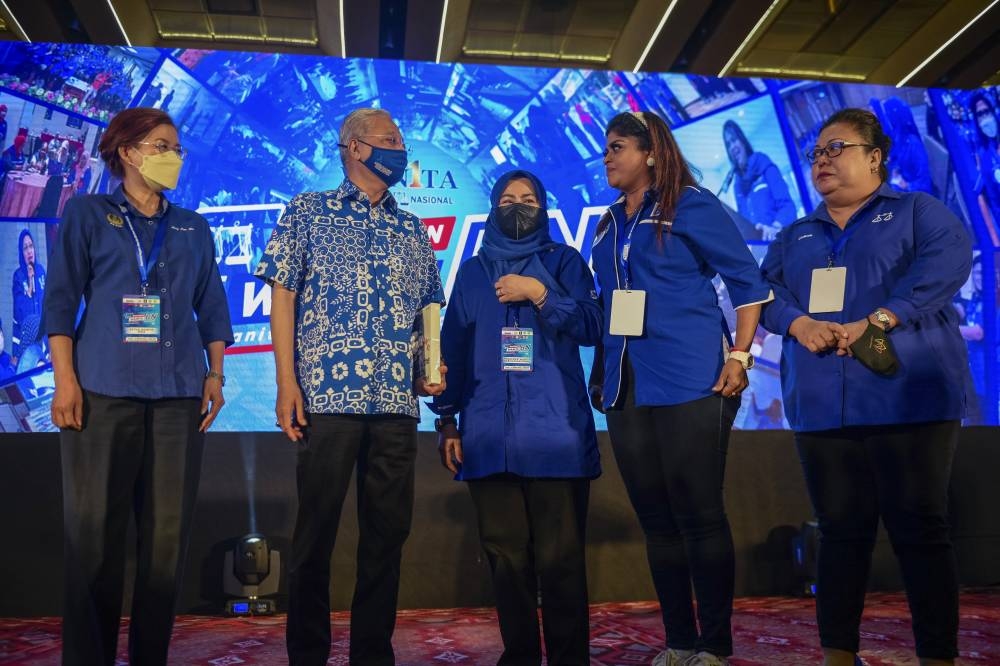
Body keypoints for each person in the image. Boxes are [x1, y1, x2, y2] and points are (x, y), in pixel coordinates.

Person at [759, 108, 972, 666]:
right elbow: (762, 295)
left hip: (907, 398)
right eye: (817, 153)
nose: (823, 161)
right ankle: (837, 655)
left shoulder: (917, 211)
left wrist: (879, 319)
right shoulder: (796, 234)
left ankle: (938, 656)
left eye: (837, 148)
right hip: (823, 404)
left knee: (920, 530)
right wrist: (797, 323)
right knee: (839, 532)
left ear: (875, 157)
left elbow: (948, 263)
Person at [254, 107, 446, 666]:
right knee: (314, 540)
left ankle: (372, 654)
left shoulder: (413, 228)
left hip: (394, 405)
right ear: (356, 148)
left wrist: (432, 366)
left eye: (401, 141)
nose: (400, 149)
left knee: (386, 543)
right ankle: (308, 655)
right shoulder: (307, 211)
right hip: (327, 400)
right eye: (390, 140)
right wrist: (286, 383)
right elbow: (283, 295)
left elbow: (427, 311)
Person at [44, 107, 233, 665]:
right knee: (94, 543)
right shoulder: (87, 214)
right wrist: (64, 381)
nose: (173, 156)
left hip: (178, 398)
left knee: (165, 547)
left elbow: (213, 307)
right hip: (101, 392)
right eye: (161, 145)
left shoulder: (192, 226)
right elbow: (59, 301)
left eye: (176, 148)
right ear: (127, 152)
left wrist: (216, 374)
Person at [589, 111, 773, 666]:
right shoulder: (605, 223)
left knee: (699, 515)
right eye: (605, 149)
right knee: (657, 522)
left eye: (618, 147)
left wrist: (739, 355)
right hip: (626, 390)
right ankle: (679, 642)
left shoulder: (690, 205)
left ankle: (714, 646)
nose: (608, 158)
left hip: (691, 381)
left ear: (650, 152)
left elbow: (749, 285)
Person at [433, 169, 601, 665]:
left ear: (544, 207)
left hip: (556, 438)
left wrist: (541, 294)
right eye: (507, 199)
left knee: (562, 563)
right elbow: (454, 349)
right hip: (487, 437)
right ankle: (521, 655)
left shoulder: (565, 261)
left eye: (528, 199)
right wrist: (446, 420)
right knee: (506, 561)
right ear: (491, 208)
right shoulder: (472, 271)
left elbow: (593, 324)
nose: (518, 206)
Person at [722, 119, 797, 241]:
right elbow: (743, 222)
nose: (732, 147)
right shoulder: (737, 184)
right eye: (728, 144)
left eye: (734, 140)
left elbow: (788, 206)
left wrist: (775, 228)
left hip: (779, 242)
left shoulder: (764, 164)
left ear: (742, 141)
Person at [12, 228, 46, 367]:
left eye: (31, 246)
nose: (29, 251)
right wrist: (30, 283)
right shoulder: (18, 276)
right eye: (25, 248)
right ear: (22, 253)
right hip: (27, 340)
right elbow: (21, 312)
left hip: (43, 336)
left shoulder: (41, 271)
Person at [970, 93, 1000, 228]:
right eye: (980, 115)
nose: (985, 118)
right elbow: (994, 201)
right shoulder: (985, 155)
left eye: (986, 112)